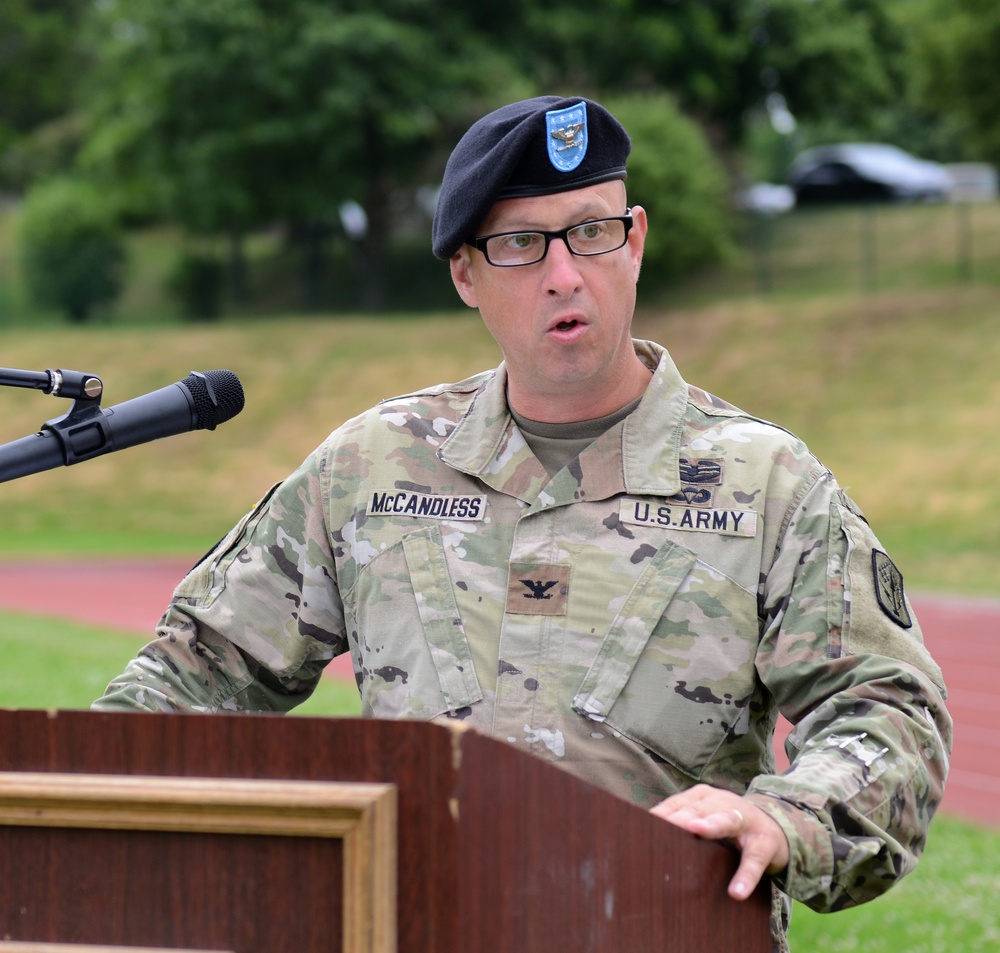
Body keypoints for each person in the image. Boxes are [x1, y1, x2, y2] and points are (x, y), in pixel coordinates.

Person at [93, 96, 951, 950]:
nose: (565, 273)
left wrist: (783, 815)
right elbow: (192, 671)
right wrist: (74, 800)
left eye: (591, 232)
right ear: (466, 274)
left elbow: (888, 707)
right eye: (518, 244)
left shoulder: (767, 483)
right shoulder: (374, 465)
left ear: (636, 240)